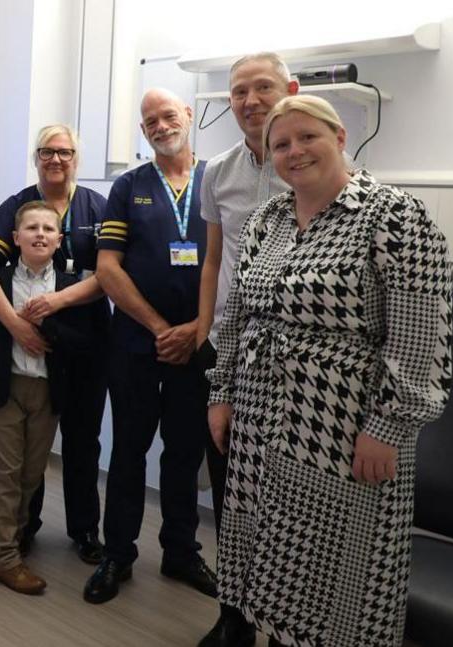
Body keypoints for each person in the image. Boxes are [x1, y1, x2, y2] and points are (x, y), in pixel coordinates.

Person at [203, 95, 452, 647]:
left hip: (347, 429)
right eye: (281, 144)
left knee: (339, 574)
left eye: (307, 137)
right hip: (258, 417)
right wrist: (220, 392)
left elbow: (418, 340)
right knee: (267, 561)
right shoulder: (268, 218)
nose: (295, 152)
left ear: (339, 137)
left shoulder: (393, 216)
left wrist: (388, 428)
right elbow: (241, 311)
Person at [83, 89, 218, 605]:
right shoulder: (129, 187)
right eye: (149, 122)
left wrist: (196, 332)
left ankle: (180, 551)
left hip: (199, 345)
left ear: (187, 115)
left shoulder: (215, 179)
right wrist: (162, 328)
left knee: (184, 453)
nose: (160, 126)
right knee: (130, 452)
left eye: (168, 115)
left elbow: (225, 265)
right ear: (144, 133)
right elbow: (109, 268)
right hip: (138, 345)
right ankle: (118, 553)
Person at [194, 52, 298, 646]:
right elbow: (213, 259)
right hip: (231, 351)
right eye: (239, 91)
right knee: (231, 486)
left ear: (290, 89)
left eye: (263, 87)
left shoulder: (310, 162)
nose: (251, 100)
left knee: (286, 494)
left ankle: (281, 614)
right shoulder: (219, 174)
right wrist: (208, 332)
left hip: (295, 359)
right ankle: (233, 614)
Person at [0, 124, 110, 564]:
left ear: (76, 159)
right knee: (29, 451)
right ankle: (22, 528)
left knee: (83, 441)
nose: (56, 159)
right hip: (28, 342)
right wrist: (15, 324)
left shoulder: (96, 206)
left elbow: (109, 274)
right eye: (47, 151)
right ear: (36, 157)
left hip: (83, 343)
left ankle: (85, 529)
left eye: (65, 152)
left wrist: (57, 301)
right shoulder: (16, 206)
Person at [0, 201, 97, 594]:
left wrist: (47, 325)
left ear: (59, 240)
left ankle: (16, 538)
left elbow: (84, 343)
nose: (40, 234)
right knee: (5, 472)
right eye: (31, 228)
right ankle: (3, 557)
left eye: (47, 229)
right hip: (7, 388)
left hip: (48, 392)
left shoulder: (70, 288)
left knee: (31, 475)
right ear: (15, 237)